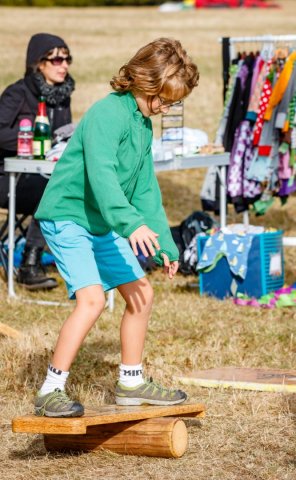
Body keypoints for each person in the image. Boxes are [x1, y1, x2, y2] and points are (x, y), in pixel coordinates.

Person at [33, 37, 199, 417]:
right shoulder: (108, 114)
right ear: (144, 81)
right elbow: (103, 176)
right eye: (165, 98)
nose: (167, 107)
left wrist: (166, 246)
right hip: (68, 216)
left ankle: (131, 381)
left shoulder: (142, 126)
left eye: (174, 101)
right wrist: (129, 225)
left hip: (102, 221)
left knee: (142, 294)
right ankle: (50, 389)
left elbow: (145, 189)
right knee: (91, 301)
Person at [0, 32, 75, 290]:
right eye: (56, 60)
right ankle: (29, 265)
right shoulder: (17, 93)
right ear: (38, 63)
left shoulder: (62, 95)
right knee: (54, 190)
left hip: (41, 176)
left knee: (74, 186)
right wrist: (31, 139)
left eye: (67, 59)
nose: (64, 65)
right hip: (7, 179)